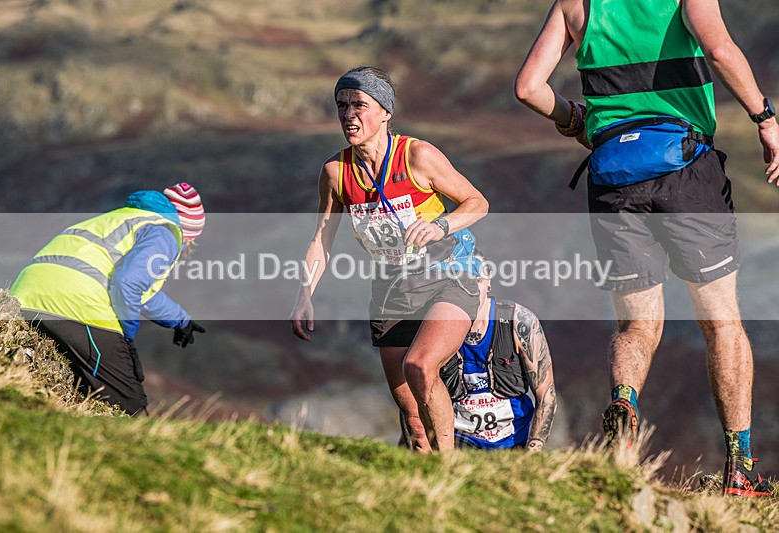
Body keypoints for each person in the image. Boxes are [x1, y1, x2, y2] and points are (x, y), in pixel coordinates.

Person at [514, 0, 777, 496]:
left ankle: (625, 404)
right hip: (686, 170)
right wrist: (765, 117)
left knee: (636, 325)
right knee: (722, 323)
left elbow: (528, 87)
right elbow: (720, 50)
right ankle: (740, 467)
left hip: (613, 176)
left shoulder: (577, 5)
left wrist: (575, 119)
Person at [290, 65, 489, 451]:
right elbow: (322, 240)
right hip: (392, 289)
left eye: (359, 105)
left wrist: (441, 226)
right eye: (341, 105)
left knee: (421, 366)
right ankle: (422, 478)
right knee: (410, 412)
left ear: (385, 112)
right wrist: (304, 294)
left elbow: (477, 202)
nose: (349, 115)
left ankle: (449, 470)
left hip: (448, 275)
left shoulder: (418, 155)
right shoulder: (335, 172)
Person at [11, 182, 207, 415]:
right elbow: (128, 283)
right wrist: (127, 336)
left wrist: (179, 320)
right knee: (130, 409)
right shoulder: (166, 231)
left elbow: (141, 291)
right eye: (190, 242)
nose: (187, 247)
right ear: (187, 230)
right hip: (76, 305)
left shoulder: (121, 218)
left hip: (26, 296)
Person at [401, 254, 557, 451]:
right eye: (463, 280)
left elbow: (546, 395)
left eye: (477, 279)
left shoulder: (519, 321)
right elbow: (415, 396)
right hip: (458, 442)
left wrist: (532, 452)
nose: (472, 289)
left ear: (489, 280)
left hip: (514, 440)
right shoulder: (432, 331)